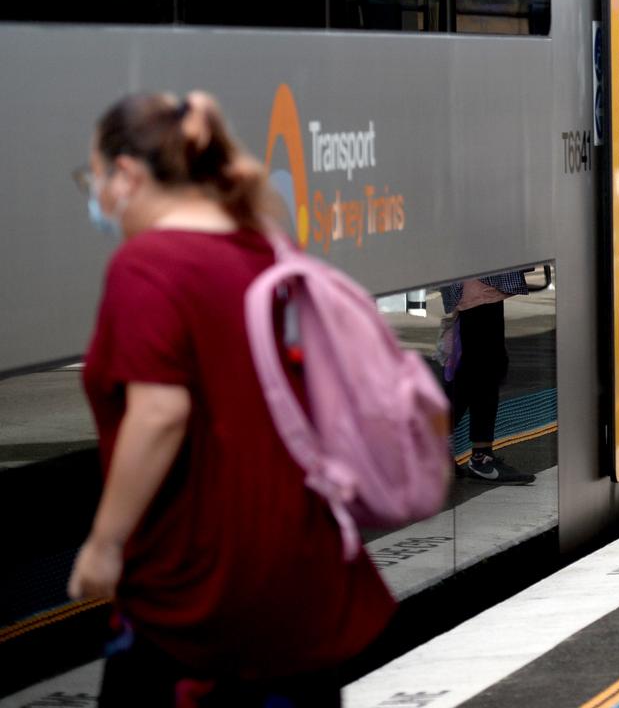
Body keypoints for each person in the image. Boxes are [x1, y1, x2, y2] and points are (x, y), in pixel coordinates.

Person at [68, 92, 395, 706]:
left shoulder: (148, 265)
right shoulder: (264, 246)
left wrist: (104, 545)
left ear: (130, 175)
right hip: (298, 575)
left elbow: (161, 413)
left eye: (96, 177)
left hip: (197, 593)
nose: (99, 198)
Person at [440, 272, 534, 484]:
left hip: (480, 281)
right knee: (484, 369)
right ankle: (480, 456)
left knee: (479, 369)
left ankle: (434, 444)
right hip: (476, 281)